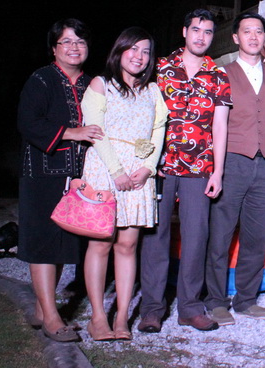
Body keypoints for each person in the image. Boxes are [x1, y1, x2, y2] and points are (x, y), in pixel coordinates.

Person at [138, 9, 231, 333]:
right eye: (196, 30)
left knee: (196, 238)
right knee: (155, 237)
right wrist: (144, 160)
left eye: (207, 32)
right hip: (160, 167)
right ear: (184, 31)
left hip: (199, 167)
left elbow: (220, 126)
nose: (201, 37)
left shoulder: (218, 75)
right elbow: (142, 113)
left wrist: (218, 172)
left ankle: (190, 307)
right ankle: (152, 309)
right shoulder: (159, 68)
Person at [17, 18, 103, 343]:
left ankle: (42, 310)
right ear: (54, 48)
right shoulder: (41, 79)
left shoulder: (94, 83)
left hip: (80, 175)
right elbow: (28, 122)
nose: (74, 47)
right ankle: (52, 318)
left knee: (62, 243)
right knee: (43, 242)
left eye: (80, 42)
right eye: (66, 41)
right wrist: (72, 132)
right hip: (42, 172)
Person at [81, 27, 167, 341]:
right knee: (101, 244)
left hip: (138, 173)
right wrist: (116, 170)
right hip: (105, 169)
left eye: (145, 51)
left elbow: (157, 132)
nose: (139, 56)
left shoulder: (153, 91)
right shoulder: (100, 84)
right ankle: (97, 318)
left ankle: (121, 318)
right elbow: (94, 131)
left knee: (128, 245)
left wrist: (148, 168)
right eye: (133, 49)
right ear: (120, 51)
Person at [205, 12, 265, 325]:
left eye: (259, 31)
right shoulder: (222, 73)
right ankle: (216, 301)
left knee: (257, 236)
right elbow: (216, 124)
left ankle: (247, 300)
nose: (253, 36)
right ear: (236, 38)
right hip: (232, 161)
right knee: (220, 235)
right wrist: (217, 168)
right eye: (247, 31)